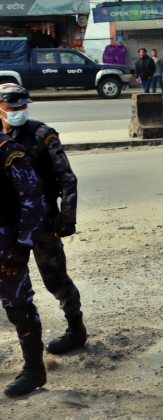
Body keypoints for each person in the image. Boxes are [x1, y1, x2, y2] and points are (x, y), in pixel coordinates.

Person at [0, 84, 86, 354]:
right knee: (12, 282)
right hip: (10, 224)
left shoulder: (42, 134)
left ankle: (75, 328)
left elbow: (66, 177)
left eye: (23, 106)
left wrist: (67, 216)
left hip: (43, 221)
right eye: (13, 107)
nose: (19, 112)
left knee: (55, 278)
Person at [0, 130, 48, 397]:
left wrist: (23, 244)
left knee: (17, 305)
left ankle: (34, 370)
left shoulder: (7, 149)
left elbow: (33, 197)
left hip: (5, 241)